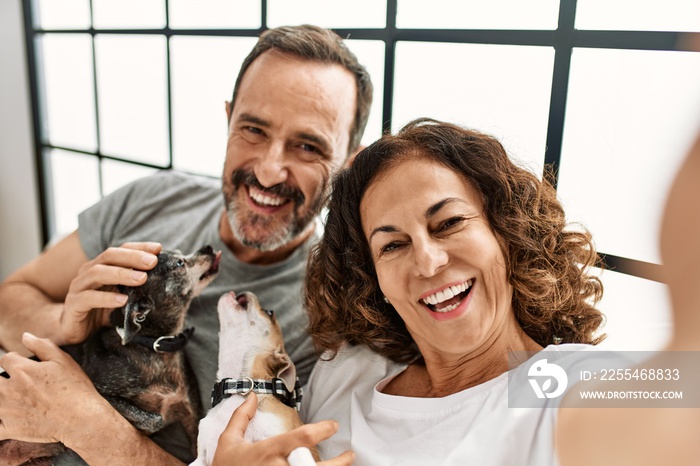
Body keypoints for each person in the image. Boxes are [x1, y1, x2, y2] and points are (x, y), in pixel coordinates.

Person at [214, 117, 700, 465]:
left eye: (448, 223)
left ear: (504, 234)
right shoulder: (344, 371)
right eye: (393, 245)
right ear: (375, 281)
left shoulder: (566, 384)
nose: (427, 261)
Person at [0, 24, 372, 465]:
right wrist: (61, 322)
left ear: (348, 163)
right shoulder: (152, 198)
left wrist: (84, 423)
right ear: (229, 118)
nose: (270, 172)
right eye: (253, 129)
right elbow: (12, 297)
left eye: (308, 146)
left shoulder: (343, 314)